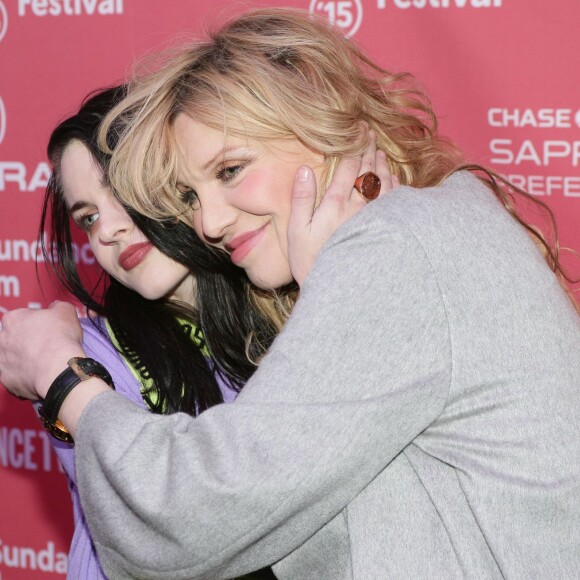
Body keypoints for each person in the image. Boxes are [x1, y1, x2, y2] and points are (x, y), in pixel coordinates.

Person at [2, 7, 579, 579]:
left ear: (322, 124)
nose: (208, 222)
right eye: (189, 194)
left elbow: (189, 513)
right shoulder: (418, 234)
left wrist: (62, 379)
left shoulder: (398, 250)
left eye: (230, 170)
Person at [34, 85, 281, 579]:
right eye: (88, 218)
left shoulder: (283, 312)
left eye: (120, 191)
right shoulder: (83, 357)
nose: (106, 231)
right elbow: (155, 520)